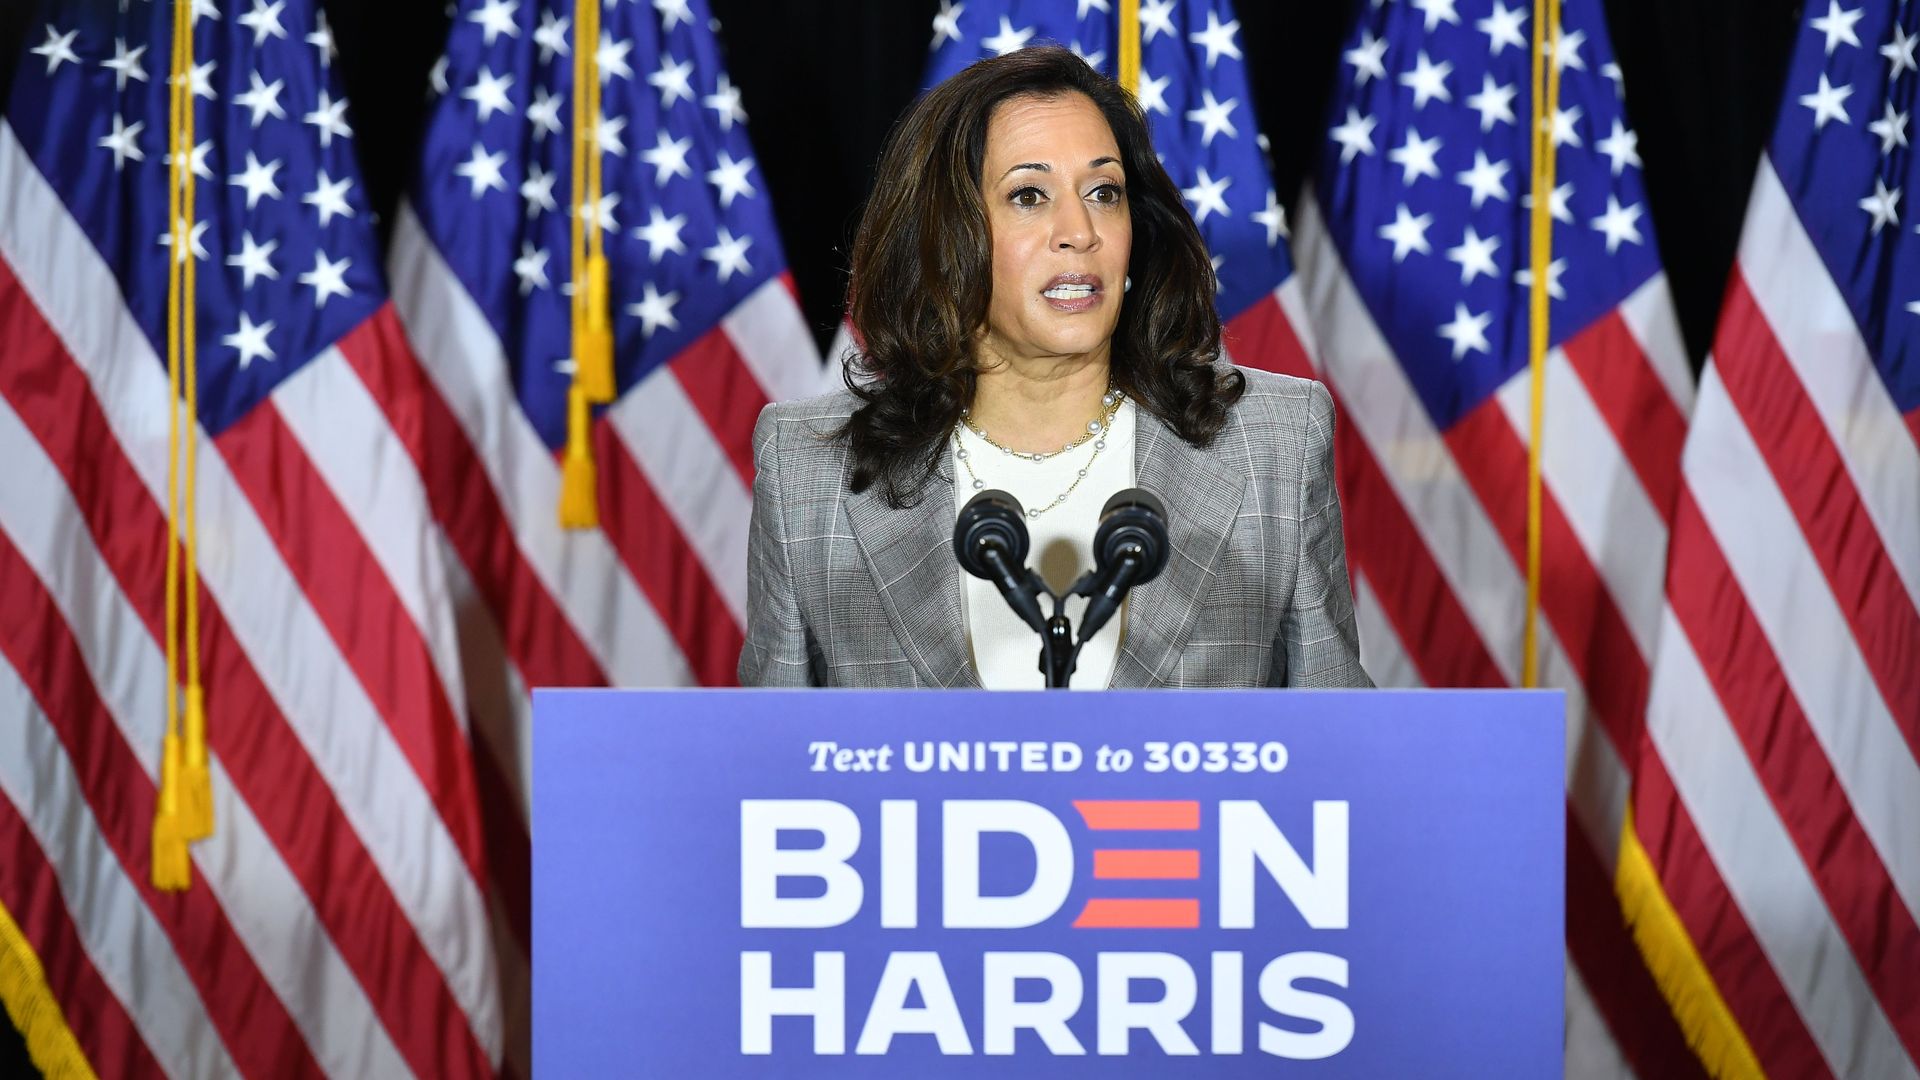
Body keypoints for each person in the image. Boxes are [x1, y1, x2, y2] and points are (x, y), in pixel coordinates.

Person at [739, 46, 1370, 690]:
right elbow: (770, 767)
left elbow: (1338, 752)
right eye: (1029, 195)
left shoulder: (1276, 445)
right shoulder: (808, 471)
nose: (1080, 230)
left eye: (1104, 191)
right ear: (949, 234)